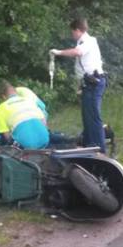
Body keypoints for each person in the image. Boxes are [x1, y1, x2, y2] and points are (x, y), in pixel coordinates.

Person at [49, 18, 107, 153]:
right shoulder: (81, 42)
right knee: (87, 116)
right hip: (88, 83)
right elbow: (81, 67)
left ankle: (99, 149)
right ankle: (88, 145)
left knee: (94, 116)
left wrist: (58, 52)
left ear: (78, 30)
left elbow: (77, 52)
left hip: (94, 82)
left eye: (72, 31)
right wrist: (80, 86)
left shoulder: (89, 41)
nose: (72, 34)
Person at [0, 81, 49, 149]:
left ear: (3, 96)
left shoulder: (1, 108)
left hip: (25, 147)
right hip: (45, 140)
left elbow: (6, 136)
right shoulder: (29, 100)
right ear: (16, 92)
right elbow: (44, 123)